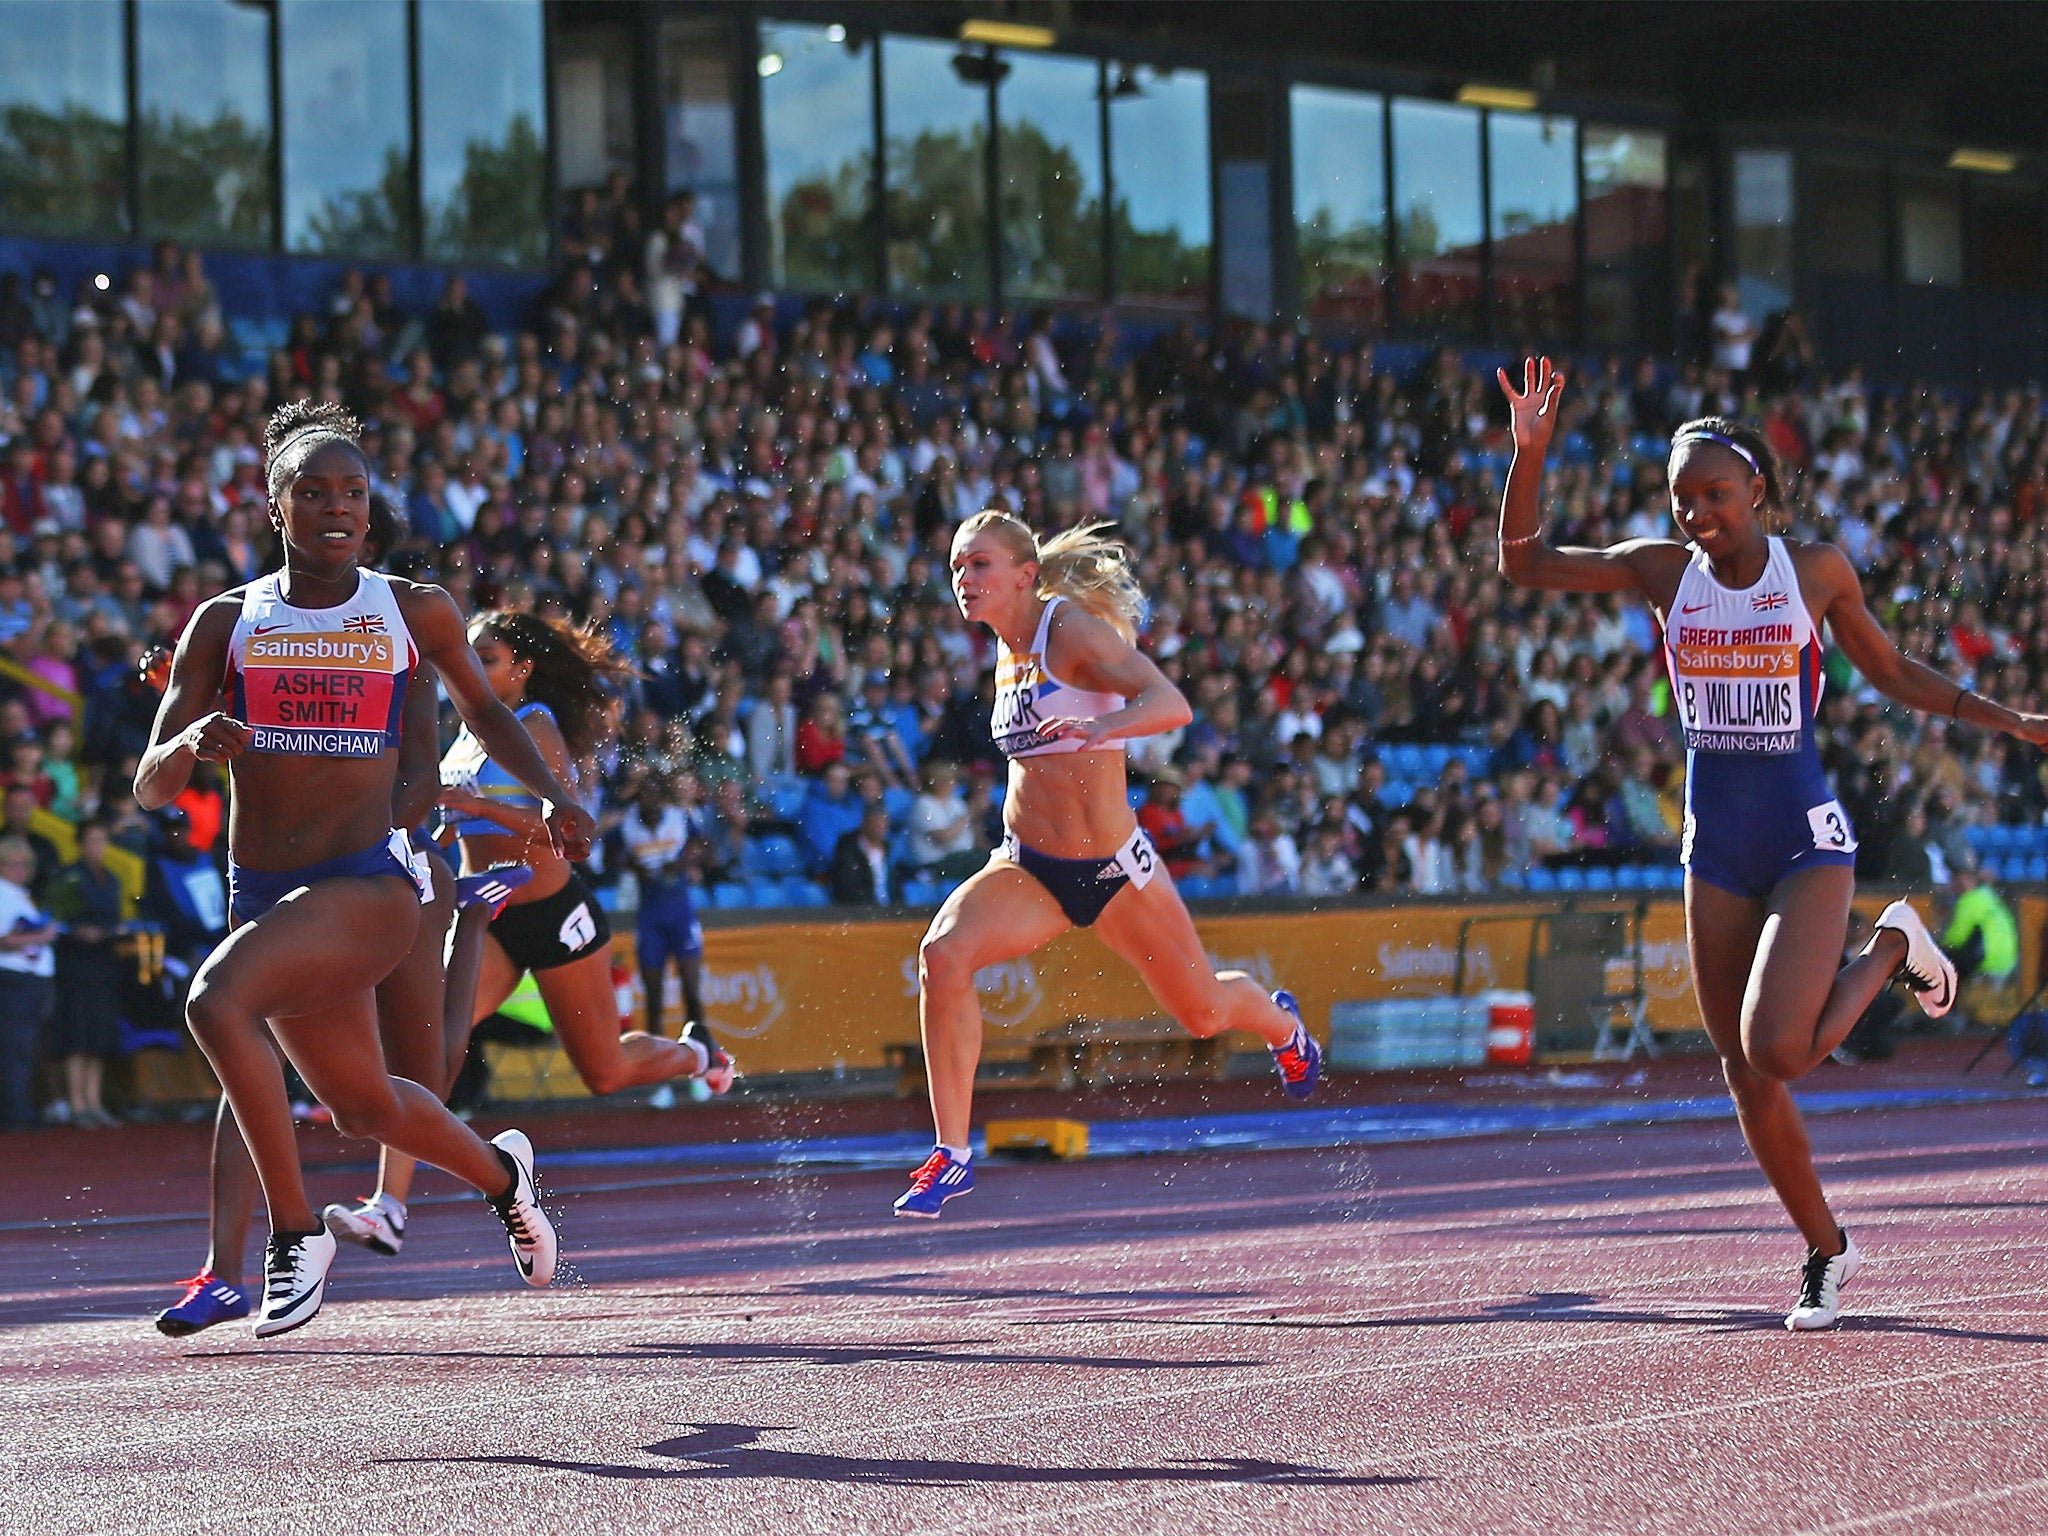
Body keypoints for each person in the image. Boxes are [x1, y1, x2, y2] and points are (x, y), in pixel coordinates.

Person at [1496, 356, 2048, 1330]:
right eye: (1680, 500)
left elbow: (1891, 672)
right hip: (1713, 842)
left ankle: (1888, 945)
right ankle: (1823, 1253)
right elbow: (1523, 564)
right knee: (1743, 1080)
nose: (1695, 513)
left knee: (1776, 1050)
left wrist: (2007, 720)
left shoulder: (1815, 570)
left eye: (1713, 494)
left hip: (1799, 833)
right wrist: (1528, 454)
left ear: (1756, 489)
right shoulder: (1661, 571)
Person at [136, 401, 576, 1338]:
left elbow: (485, 717)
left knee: (217, 1003)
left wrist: (549, 794)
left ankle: (293, 1237)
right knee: (365, 1106)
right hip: (263, 891)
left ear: (370, 510)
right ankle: (505, 1178)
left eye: (354, 491)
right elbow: (149, 785)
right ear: (275, 505)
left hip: (371, 881)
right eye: (313, 490)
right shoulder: (225, 623)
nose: (336, 505)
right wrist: (188, 743)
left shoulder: (410, 609)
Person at [897, 512, 1320, 1218]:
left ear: (1025, 574)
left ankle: (1283, 1027)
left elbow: (1171, 703)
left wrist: (1102, 726)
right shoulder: (1004, 651)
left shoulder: (1069, 632)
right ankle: (953, 1153)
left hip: (1115, 872)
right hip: (1029, 869)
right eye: (957, 567)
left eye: (980, 565)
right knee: (942, 956)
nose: (964, 580)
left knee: (1204, 1012)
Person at [619, 773, 710, 1060]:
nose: (650, 800)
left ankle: (702, 1057)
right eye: (644, 794)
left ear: (662, 797)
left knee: (692, 993)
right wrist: (631, 864)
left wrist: (684, 862)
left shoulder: (678, 818)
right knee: (654, 999)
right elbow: (604, 858)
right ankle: (658, 1070)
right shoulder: (627, 825)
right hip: (650, 915)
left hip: (680, 912)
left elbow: (710, 851)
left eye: (655, 794)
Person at [45, 820, 128, 1128]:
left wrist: (108, 932)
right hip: (76, 966)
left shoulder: (114, 879)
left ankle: (94, 1102)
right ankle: (78, 1104)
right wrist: (80, 932)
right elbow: (57, 922)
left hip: (104, 965)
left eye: (102, 840)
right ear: (81, 843)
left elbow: (115, 919)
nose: (98, 846)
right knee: (78, 1035)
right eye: (92, 840)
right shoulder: (67, 877)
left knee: (98, 1036)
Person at [0, 836, 55, 1133]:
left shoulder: (19, 893)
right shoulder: (2, 892)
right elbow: (4, 940)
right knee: (15, 1049)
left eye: (26, 864)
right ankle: (15, 1113)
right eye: (14, 864)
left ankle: (20, 1108)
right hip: (13, 980)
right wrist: (42, 936)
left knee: (24, 1048)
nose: (22, 870)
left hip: (28, 981)